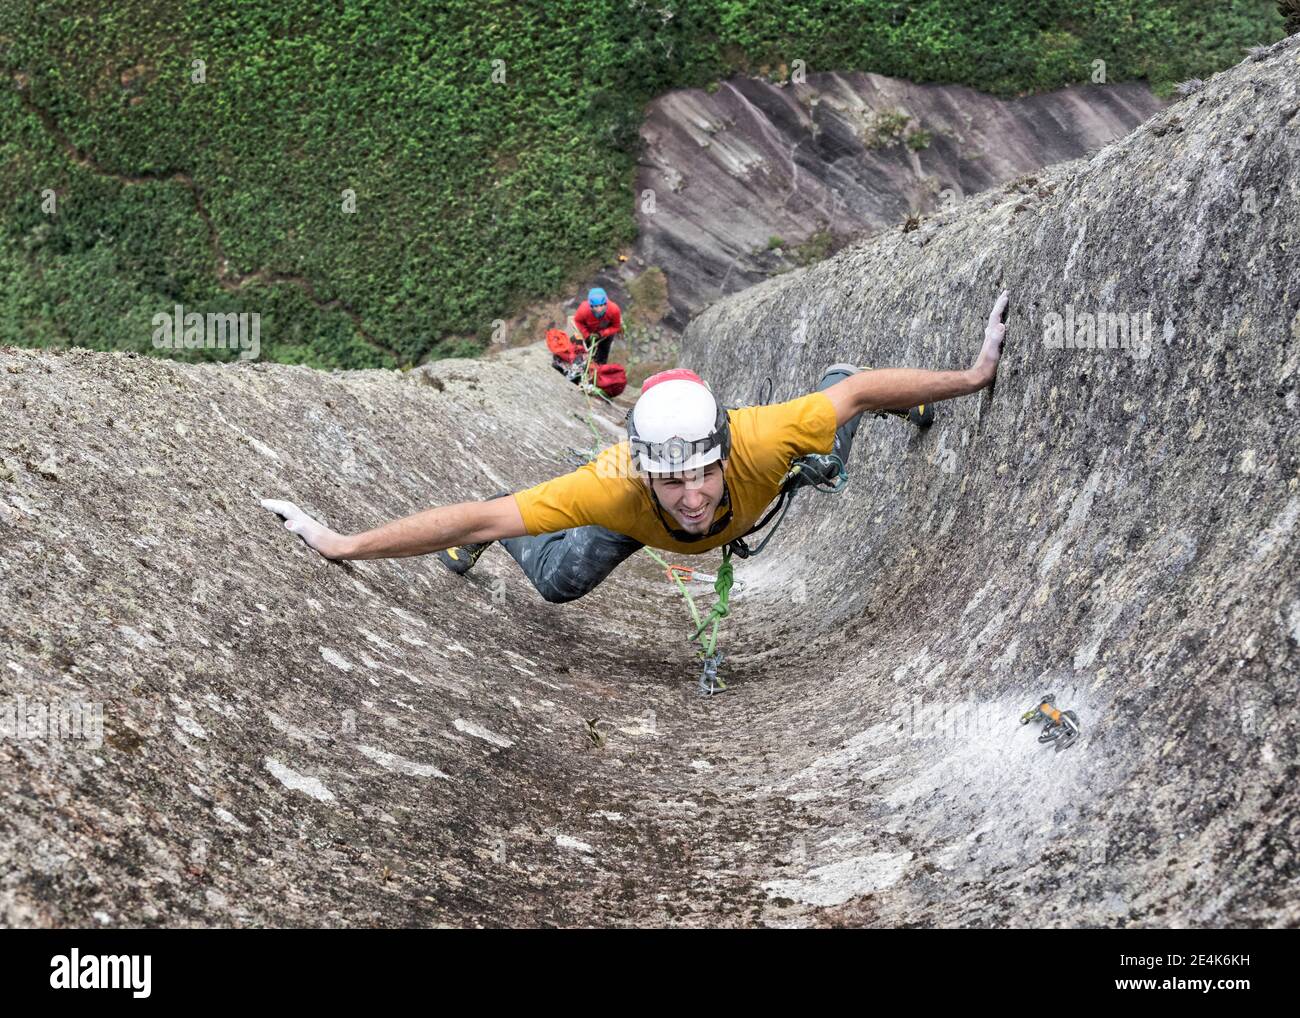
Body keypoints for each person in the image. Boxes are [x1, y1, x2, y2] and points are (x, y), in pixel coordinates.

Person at [263, 292, 1010, 604]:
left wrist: (973, 377)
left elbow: (857, 392)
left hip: (765, 463)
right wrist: (342, 543)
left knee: (830, 428)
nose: (690, 497)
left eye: (700, 475)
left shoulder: (757, 438)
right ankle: (520, 559)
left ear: (721, 451)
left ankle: (843, 412)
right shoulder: (615, 484)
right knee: (558, 584)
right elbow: (476, 515)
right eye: (672, 482)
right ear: (646, 473)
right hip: (637, 510)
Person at [573, 287, 622, 365]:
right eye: (596, 306)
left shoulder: (614, 310)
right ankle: (581, 365)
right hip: (589, 331)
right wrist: (587, 335)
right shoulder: (583, 310)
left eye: (602, 305)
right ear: (591, 306)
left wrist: (601, 334)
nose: (599, 309)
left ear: (606, 303)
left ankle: (600, 367)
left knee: (603, 352)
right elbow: (578, 321)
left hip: (606, 333)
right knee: (583, 349)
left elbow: (616, 326)